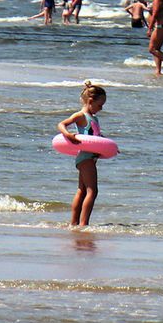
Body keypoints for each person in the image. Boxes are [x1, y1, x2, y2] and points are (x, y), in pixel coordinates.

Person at [57, 82, 108, 228]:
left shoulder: (94, 118)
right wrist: (68, 134)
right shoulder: (81, 116)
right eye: (100, 105)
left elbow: (95, 136)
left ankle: (74, 223)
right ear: (90, 101)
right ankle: (83, 224)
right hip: (85, 157)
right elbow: (61, 124)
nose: (101, 108)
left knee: (82, 190)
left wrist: (109, 147)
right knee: (93, 190)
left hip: (89, 157)